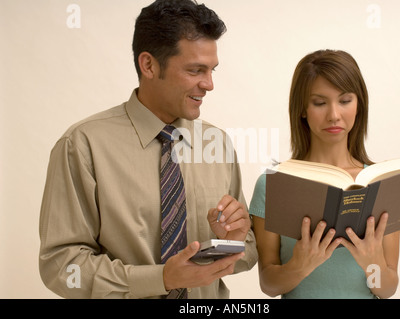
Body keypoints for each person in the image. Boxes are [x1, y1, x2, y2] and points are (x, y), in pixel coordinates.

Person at [39, 0, 257, 299]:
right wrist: (160, 278)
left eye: (211, 70)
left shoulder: (216, 143)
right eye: (195, 70)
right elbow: (62, 267)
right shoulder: (83, 145)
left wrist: (233, 242)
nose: (209, 84)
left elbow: (248, 252)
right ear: (149, 65)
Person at [249, 50, 400, 299]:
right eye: (319, 103)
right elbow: (269, 285)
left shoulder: (381, 183)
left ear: (359, 104)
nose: (334, 115)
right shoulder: (272, 184)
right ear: (302, 109)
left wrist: (372, 263)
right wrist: (301, 265)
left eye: (345, 101)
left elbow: (387, 289)